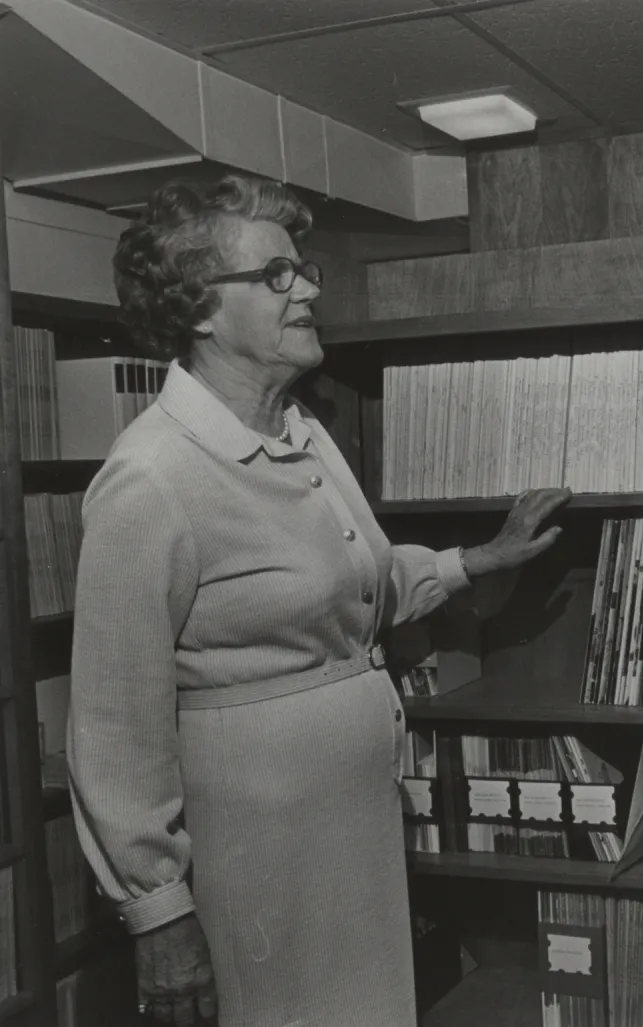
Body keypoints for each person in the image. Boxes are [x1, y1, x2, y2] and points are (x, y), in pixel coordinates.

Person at [68, 173, 571, 1027]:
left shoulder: (301, 431)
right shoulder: (150, 478)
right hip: (257, 859)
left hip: (351, 835)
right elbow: (115, 725)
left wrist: (476, 560)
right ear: (200, 307)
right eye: (276, 275)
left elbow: (351, 583)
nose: (305, 290)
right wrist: (157, 908)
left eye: (303, 270)